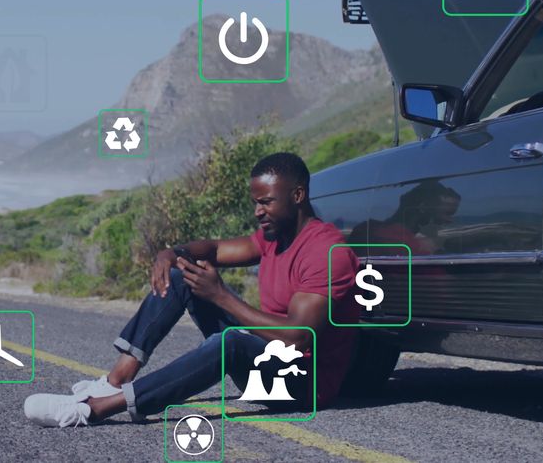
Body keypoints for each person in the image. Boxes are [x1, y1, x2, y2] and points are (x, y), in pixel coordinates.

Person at [24, 152, 360, 427]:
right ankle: (114, 380)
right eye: (255, 202)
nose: (258, 212)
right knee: (185, 273)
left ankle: (96, 409)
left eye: (266, 202)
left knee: (228, 342)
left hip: (300, 386)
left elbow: (298, 338)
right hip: (264, 362)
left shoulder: (326, 254)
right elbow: (213, 249)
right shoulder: (275, 238)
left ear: (298, 195)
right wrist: (171, 253)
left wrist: (222, 297)